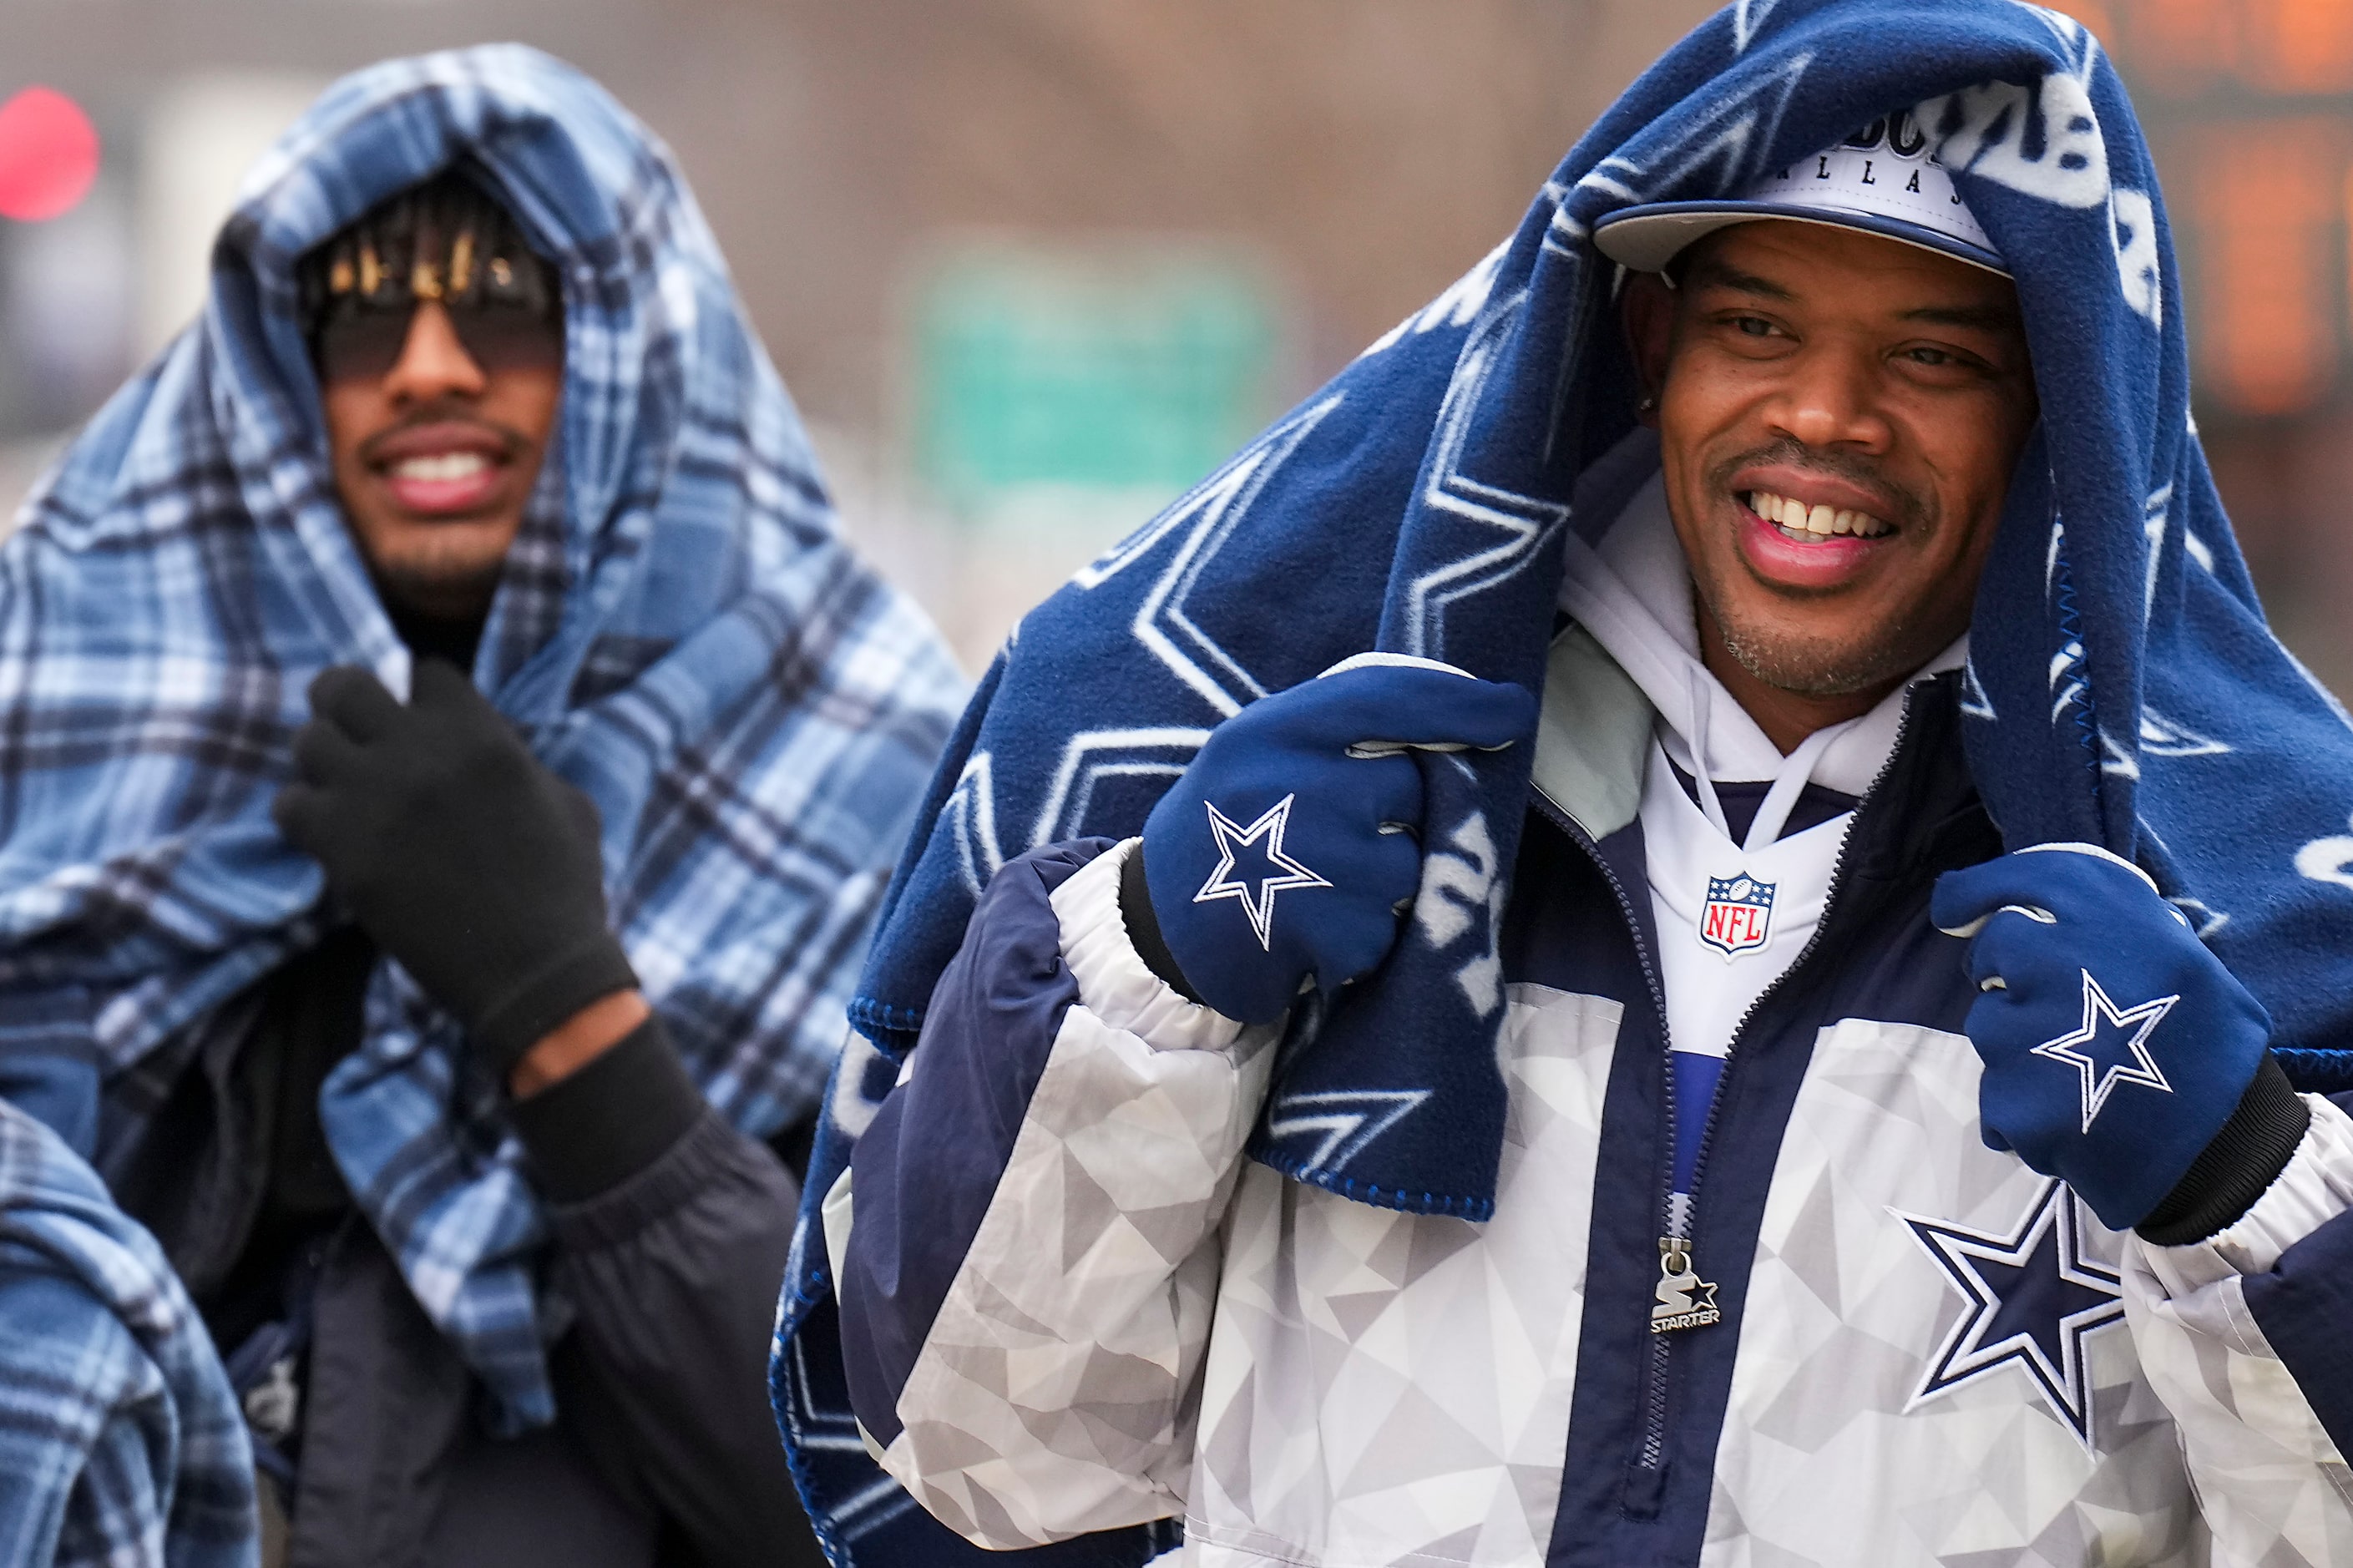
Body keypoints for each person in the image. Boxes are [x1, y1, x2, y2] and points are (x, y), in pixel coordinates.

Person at [776, 4, 2353, 1565]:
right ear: (1647, 344)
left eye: (1932, 352)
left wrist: (2247, 1185)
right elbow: (980, 1449)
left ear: (2056, 410)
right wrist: (1155, 975)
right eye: (1756, 327)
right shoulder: (1321, 817)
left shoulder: (2251, 912)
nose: (1821, 414)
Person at [0, 45, 964, 1568]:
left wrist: (565, 1014)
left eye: (510, 305)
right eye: (365, 307)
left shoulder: (877, 788)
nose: (432, 362)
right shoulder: (63, 727)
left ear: (636, 345)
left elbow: (884, 1508)